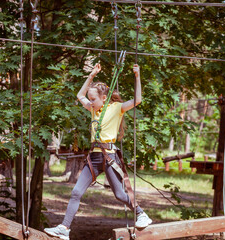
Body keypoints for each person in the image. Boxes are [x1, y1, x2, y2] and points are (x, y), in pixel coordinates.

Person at [44, 63, 152, 240]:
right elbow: (80, 95)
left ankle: (141, 214)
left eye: (93, 99)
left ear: (104, 97)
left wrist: (137, 76)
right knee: (76, 192)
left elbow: (137, 100)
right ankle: (64, 228)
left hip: (108, 156)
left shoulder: (116, 108)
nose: (90, 103)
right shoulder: (94, 110)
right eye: (90, 100)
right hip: (93, 157)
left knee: (119, 194)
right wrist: (92, 76)